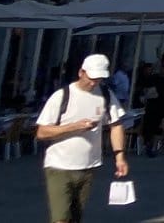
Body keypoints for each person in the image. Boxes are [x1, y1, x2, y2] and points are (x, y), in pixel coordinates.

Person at [36, 54, 129, 223]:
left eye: (99, 79)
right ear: (81, 72)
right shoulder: (62, 96)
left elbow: (116, 124)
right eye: (91, 78)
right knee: (61, 218)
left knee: (76, 217)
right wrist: (73, 126)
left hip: (88, 165)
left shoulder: (105, 95)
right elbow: (41, 132)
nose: (94, 83)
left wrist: (120, 156)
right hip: (59, 165)